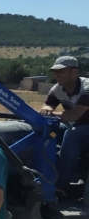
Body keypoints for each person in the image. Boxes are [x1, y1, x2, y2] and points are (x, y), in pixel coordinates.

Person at [38, 55, 89, 195]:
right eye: (55, 71)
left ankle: (61, 186)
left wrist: (51, 113)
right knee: (45, 129)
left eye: (61, 71)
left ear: (74, 72)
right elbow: (47, 106)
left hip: (81, 126)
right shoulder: (58, 89)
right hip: (79, 125)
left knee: (72, 134)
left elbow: (73, 115)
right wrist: (47, 109)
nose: (56, 74)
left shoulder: (87, 87)